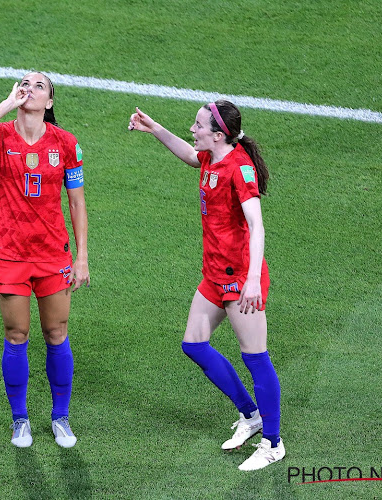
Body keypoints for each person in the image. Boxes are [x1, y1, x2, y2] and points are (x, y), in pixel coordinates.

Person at [128, 100, 284, 471]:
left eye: (198, 125)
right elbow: (189, 154)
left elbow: (257, 226)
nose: (192, 129)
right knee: (194, 345)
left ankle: (273, 443)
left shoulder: (239, 168)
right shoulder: (210, 158)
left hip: (240, 279)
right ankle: (251, 415)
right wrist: (155, 130)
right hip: (215, 275)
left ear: (217, 134)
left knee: (255, 358)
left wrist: (250, 282)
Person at [0, 72, 90, 448]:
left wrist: (81, 258)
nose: (29, 89)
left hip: (53, 255)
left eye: (39, 86)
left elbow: (77, 202)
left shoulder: (66, 143)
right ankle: (20, 419)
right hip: (10, 253)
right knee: (16, 335)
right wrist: (7, 104)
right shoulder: (0, 136)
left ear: (49, 102)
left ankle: (60, 417)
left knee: (57, 334)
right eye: (24, 84)